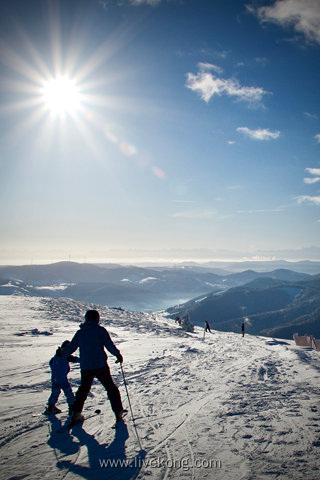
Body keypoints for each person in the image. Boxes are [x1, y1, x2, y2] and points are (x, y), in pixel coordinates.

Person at [61, 309, 126, 425]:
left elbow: (71, 346)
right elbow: (109, 344)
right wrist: (117, 354)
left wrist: (62, 353)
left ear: (86, 319)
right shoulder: (100, 331)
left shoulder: (80, 332)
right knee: (111, 388)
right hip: (100, 365)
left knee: (83, 390)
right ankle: (118, 412)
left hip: (86, 366)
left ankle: (76, 413)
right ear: (97, 319)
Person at [44, 340, 80, 415]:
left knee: (55, 392)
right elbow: (75, 359)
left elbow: (51, 363)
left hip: (54, 378)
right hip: (62, 379)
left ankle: (51, 406)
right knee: (68, 393)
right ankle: (72, 407)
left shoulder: (56, 356)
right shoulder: (65, 356)